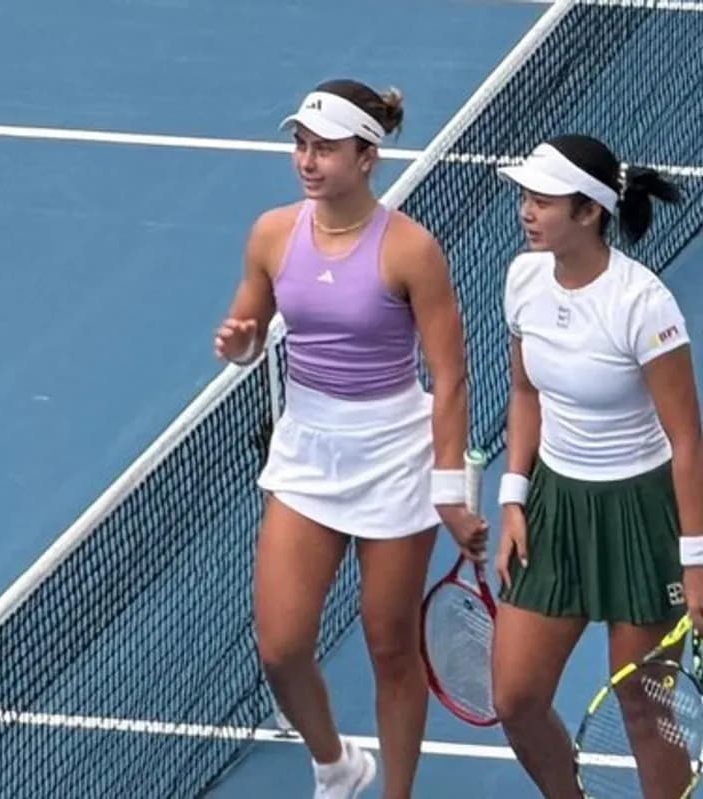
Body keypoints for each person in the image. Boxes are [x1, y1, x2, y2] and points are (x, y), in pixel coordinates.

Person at [214, 78, 487, 799]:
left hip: (394, 455)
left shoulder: (412, 250)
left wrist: (450, 489)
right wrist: (241, 344)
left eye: (325, 149)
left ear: (367, 157)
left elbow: (451, 377)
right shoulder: (273, 233)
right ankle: (336, 764)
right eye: (301, 145)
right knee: (281, 647)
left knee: (389, 645)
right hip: (307, 450)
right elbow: (250, 331)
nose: (307, 161)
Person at [491, 134, 702, 797]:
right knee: (516, 698)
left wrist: (696, 564)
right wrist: (514, 497)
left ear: (589, 212)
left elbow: (687, 441)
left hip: (640, 513)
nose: (527, 211)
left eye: (543, 201)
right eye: (526, 197)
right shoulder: (524, 278)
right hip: (555, 505)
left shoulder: (642, 304)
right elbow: (525, 391)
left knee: (644, 709)